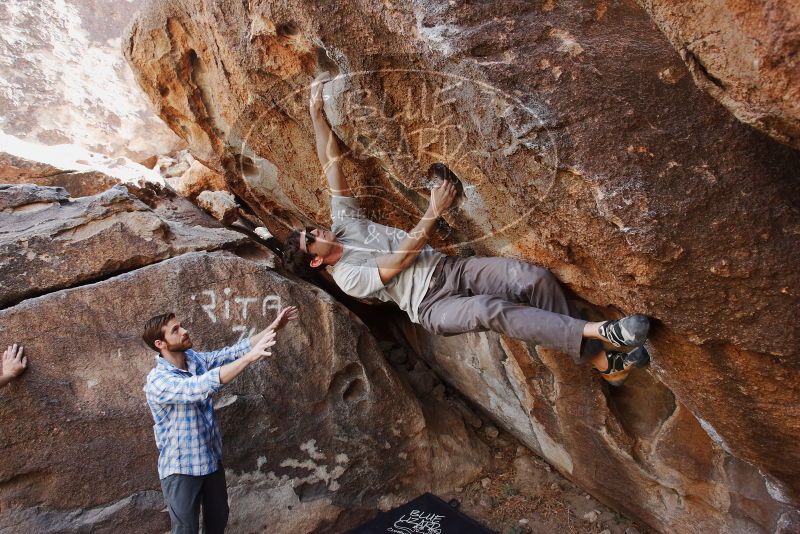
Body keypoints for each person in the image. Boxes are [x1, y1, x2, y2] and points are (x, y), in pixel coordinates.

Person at [281, 72, 650, 387]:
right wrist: (432, 211)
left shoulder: (344, 225)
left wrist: (315, 113)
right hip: (432, 306)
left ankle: (607, 365)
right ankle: (604, 333)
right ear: (315, 262)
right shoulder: (347, 277)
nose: (317, 232)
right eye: (310, 240)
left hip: (450, 269)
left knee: (532, 278)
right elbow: (399, 260)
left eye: (310, 229)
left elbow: (331, 164)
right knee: (489, 310)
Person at [142, 306, 298, 534]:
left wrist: (273, 328)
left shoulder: (193, 360)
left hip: (210, 461)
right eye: (176, 330)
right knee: (186, 529)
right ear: (160, 344)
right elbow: (199, 387)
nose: (184, 330)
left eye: (181, 325)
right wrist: (250, 358)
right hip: (181, 468)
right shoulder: (158, 381)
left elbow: (231, 353)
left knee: (218, 521)